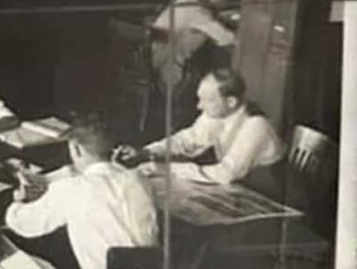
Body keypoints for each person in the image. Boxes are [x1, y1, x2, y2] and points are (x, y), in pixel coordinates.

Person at [5, 114, 158, 269]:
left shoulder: (72, 189)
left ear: (75, 149)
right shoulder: (139, 179)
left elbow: (21, 224)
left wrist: (19, 201)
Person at [122, 67, 285, 187]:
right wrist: (146, 152)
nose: (199, 106)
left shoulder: (256, 126)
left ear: (231, 102)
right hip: (241, 186)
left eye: (207, 100)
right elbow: (186, 140)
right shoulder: (218, 114)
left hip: (269, 191)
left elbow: (225, 173)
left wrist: (166, 169)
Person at [151, 0, 237, 88]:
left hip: (157, 55)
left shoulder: (183, 2)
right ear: (220, 1)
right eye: (225, 3)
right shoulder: (198, 13)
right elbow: (227, 39)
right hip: (170, 68)